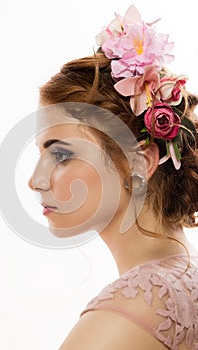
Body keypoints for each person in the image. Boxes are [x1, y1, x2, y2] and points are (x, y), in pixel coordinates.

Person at [28, 5, 198, 349]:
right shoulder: (187, 284)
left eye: (61, 154)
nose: (35, 180)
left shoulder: (129, 313)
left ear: (139, 162)